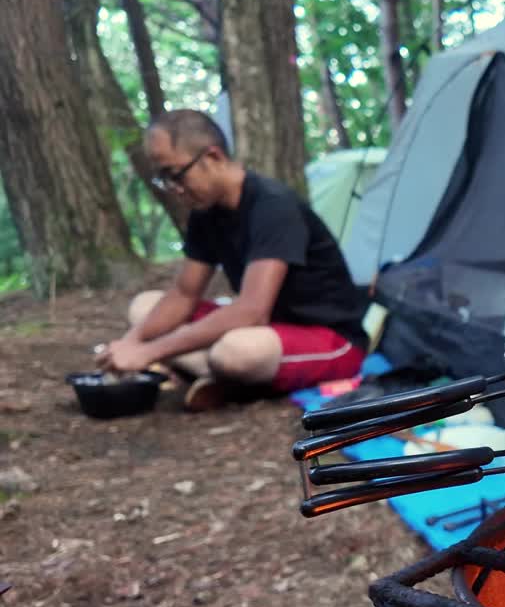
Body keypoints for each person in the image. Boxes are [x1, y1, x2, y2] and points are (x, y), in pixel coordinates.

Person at [96, 109, 369, 411]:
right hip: (264, 332)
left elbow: (252, 311)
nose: (174, 190)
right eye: (164, 179)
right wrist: (131, 343)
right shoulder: (205, 212)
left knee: (237, 351)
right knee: (144, 308)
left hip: (331, 340)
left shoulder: (272, 206)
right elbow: (184, 295)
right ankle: (224, 377)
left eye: (176, 175)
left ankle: (224, 374)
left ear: (213, 157)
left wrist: (150, 352)